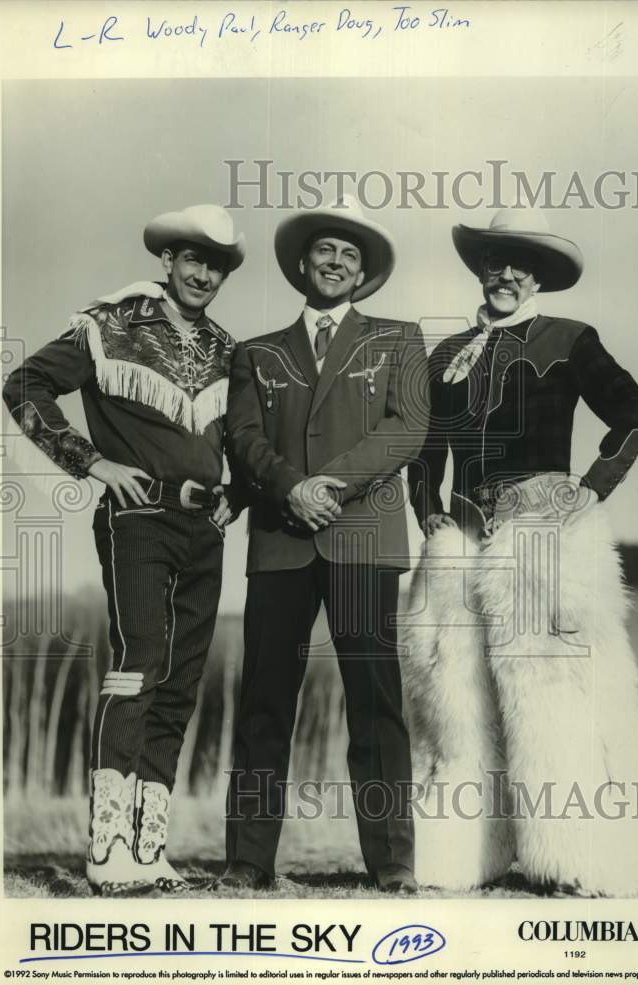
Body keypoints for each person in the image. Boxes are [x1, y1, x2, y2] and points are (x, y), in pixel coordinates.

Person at [405, 208, 638, 896]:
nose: (507, 274)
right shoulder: (443, 354)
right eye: (496, 261)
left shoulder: (568, 339)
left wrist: (592, 488)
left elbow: (636, 415)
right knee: (455, 696)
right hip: (460, 535)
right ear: (480, 268)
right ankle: (461, 860)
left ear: (537, 277)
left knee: (545, 690)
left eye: (521, 264)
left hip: (539, 529)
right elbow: (424, 451)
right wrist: (427, 510)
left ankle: (568, 860)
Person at [3, 204, 247, 896]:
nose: (203, 273)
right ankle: (105, 849)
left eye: (216, 265)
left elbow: (241, 438)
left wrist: (239, 493)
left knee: (180, 683)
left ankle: (148, 851)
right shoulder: (111, 324)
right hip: (136, 520)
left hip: (205, 530)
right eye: (192, 259)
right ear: (167, 261)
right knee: (138, 665)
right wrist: (90, 463)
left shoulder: (227, 351)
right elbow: (23, 385)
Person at [217, 196, 429, 894]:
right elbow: (242, 437)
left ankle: (392, 862)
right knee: (264, 704)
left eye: (349, 254)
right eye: (324, 251)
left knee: (376, 704)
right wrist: (288, 489)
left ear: (361, 273)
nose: (335, 262)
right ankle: (249, 861)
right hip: (280, 542)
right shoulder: (256, 352)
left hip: (364, 538)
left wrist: (327, 485)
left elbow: (406, 430)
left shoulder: (398, 339)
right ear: (301, 263)